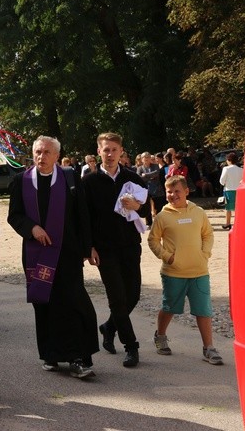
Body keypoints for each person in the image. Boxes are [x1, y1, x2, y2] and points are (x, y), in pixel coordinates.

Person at [7, 136, 99, 378]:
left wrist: (88, 247)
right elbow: (14, 216)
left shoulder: (69, 178)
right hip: (37, 254)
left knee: (72, 303)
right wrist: (32, 228)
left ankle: (78, 358)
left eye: (47, 152)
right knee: (44, 303)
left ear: (57, 156)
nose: (41, 156)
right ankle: (51, 354)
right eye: (38, 152)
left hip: (67, 254)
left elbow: (83, 215)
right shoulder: (21, 181)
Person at [82, 132, 150, 368]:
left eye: (114, 149)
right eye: (105, 149)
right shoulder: (89, 182)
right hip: (104, 249)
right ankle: (131, 346)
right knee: (117, 299)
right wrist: (88, 247)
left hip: (130, 246)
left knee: (132, 295)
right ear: (98, 152)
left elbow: (146, 214)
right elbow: (84, 218)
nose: (109, 154)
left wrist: (138, 206)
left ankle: (109, 327)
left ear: (121, 152)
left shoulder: (133, 179)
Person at [147, 176, 222, 365]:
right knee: (169, 307)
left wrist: (205, 252)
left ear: (187, 191)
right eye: (169, 192)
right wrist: (167, 256)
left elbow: (208, 234)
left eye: (177, 191)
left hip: (199, 271)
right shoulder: (163, 216)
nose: (172, 195)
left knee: (203, 310)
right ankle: (161, 335)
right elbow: (153, 240)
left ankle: (209, 348)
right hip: (174, 273)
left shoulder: (198, 212)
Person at [219, 152, 243, 230]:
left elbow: (222, 181)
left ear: (228, 160)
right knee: (238, 208)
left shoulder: (226, 169)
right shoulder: (241, 170)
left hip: (229, 190)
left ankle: (228, 223)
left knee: (228, 208)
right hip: (239, 190)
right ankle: (238, 223)